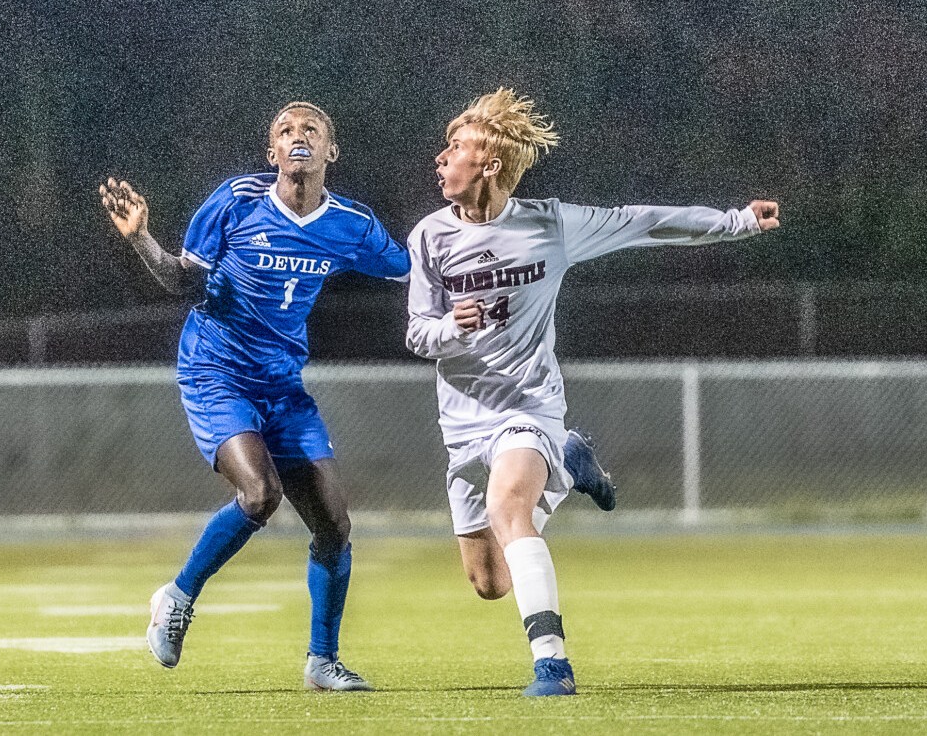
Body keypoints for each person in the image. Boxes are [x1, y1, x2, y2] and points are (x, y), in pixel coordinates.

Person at [405, 88, 780, 697]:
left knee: (508, 508)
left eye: (456, 147)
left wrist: (736, 221)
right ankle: (571, 462)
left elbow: (643, 222)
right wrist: (452, 326)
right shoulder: (429, 236)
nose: (441, 158)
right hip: (464, 422)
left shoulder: (549, 223)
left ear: (490, 164)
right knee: (490, 582)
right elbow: (418, 334)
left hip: (528, 406)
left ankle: (551, 664)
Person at [99, 101, 409, 691]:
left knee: (334, 525)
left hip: (282, 386)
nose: (298, 136)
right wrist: (141, 239)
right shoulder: (237, 200)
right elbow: (182, 280)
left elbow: (417, 271)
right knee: (261, 493)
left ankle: (322, 662)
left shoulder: (351, 223)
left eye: (310, 129)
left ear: (331, 151)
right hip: (216, 371)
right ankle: (177, 596)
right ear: (272, 154)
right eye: (285, 131)